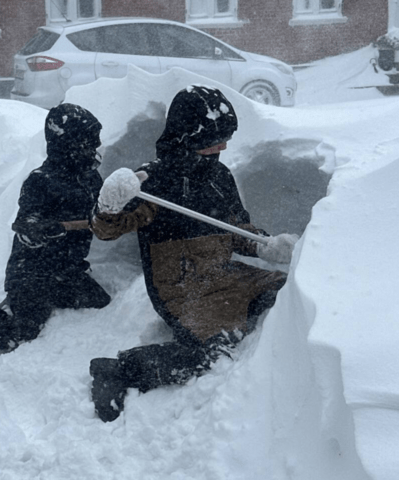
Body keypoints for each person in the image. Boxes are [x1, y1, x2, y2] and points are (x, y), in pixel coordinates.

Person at [88, 86, 298, 422]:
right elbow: (106, 230)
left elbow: (237, 231)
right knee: (212, 353)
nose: (223, 147)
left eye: (226, 138)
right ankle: (119, 370)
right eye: (214, 140)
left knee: (289, 294)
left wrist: (264, 245)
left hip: (226, 274)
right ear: (186, 137)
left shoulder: (220, 177)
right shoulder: (152, 183)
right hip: (182, 290)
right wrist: (109, 205)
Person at [0, 103, 111, 352]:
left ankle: (38, 298)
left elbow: (101, 212)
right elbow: (26, 225)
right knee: (18, 334)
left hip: (68, 269)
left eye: (94, 144)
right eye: (87, 143)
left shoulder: (90, 178)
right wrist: (38, 230)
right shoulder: (41, 181)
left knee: (99, 301)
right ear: (67, 144)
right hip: (31, 274)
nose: (93, 150)